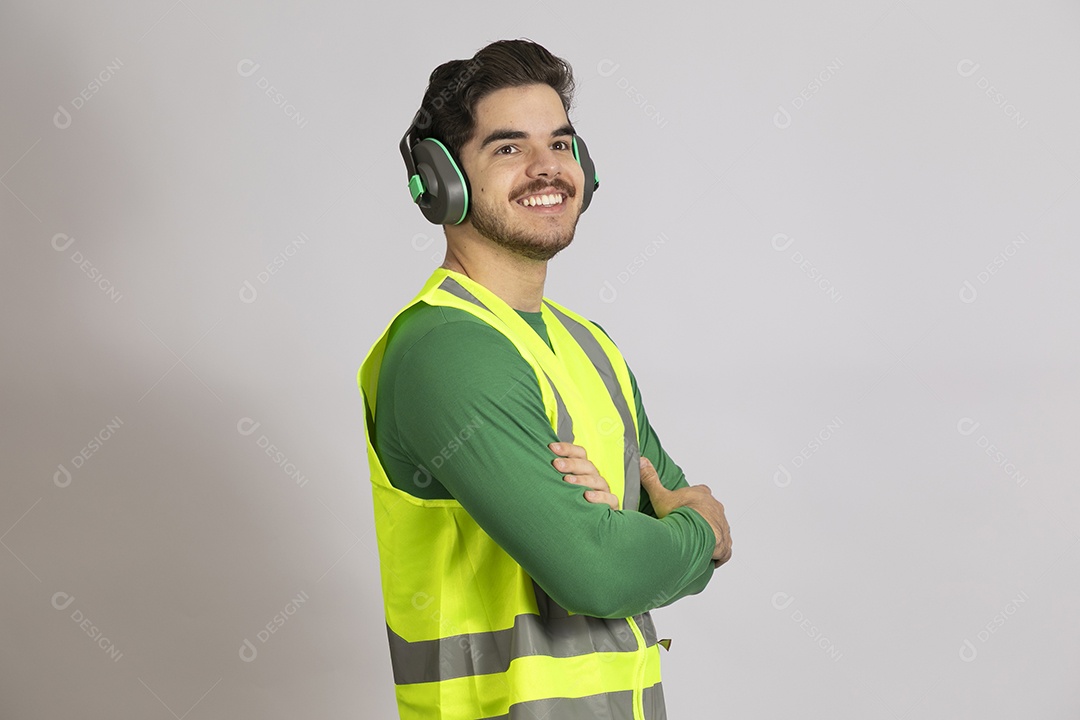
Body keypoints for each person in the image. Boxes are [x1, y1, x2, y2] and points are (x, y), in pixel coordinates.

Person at [357, 38, 733, 720]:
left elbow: (659, 513)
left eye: (560, 145)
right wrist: (695, 534)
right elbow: (601, 571)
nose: (546, 169)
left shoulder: (590, 347)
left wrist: (631, 530)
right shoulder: (445, 350)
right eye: (508, 148)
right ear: (441, 180)